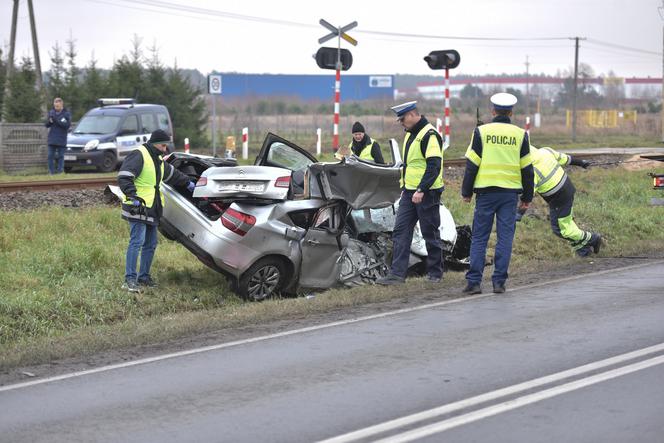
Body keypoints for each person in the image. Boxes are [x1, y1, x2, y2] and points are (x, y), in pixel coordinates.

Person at [461, 93, 534, 295]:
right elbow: (527, 169)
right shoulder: (521, 134)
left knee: (479, 238)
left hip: (485, 193)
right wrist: (528, 197)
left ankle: (474, 282)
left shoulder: (481, 132)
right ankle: (499, 282)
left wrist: (466, 192)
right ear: (511, 112)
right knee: (505, 238)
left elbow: (471, 164)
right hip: (509, 195)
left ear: (493, 111)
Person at [118, 129, 195, 292]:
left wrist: (187, 182)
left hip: (152, 208)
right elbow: (124, 176)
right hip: (137, 206)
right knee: (136, 242)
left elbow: (172, 174)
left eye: (166, 146)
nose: (165, 149)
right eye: (163, 145)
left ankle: (144, 277)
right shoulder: (139, 155)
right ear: (154, 143)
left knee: (150, 244)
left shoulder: (158, 160)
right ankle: (129, 280)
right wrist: (132, 195)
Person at [377, 101, 444, 285]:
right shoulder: (410, 135)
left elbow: (434, 166)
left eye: (403, 118)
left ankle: (435, 273)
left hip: (426, 193)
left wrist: (421, 189)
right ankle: (397, 275)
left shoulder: (429, 135)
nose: (401, 122)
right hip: (409, 192)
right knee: (400, 231)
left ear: (414, 115)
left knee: (430, 232)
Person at [520, 145, 602, 256]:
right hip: (568, 189)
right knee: (568, 225)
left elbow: (528, 195)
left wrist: (519, 213)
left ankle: (593, 238)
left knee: (560, 229)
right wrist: (581, 162)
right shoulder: (545, 151)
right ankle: (584, 252)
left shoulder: (530, 171)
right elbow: (566, 158)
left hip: (558, 198)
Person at [45, 97, 71, 175]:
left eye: (57, 106)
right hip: (52, 138)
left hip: (61, 139)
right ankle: (51, 172)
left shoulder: (66, 114)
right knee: (50, 156)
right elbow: (46, 125)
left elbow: (66, 125)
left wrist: (56, 120)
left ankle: (60, 171)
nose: (56, 107)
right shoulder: (51, 113)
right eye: (55, 105)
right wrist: (49, 121)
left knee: (60, 156)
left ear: (61, 105)